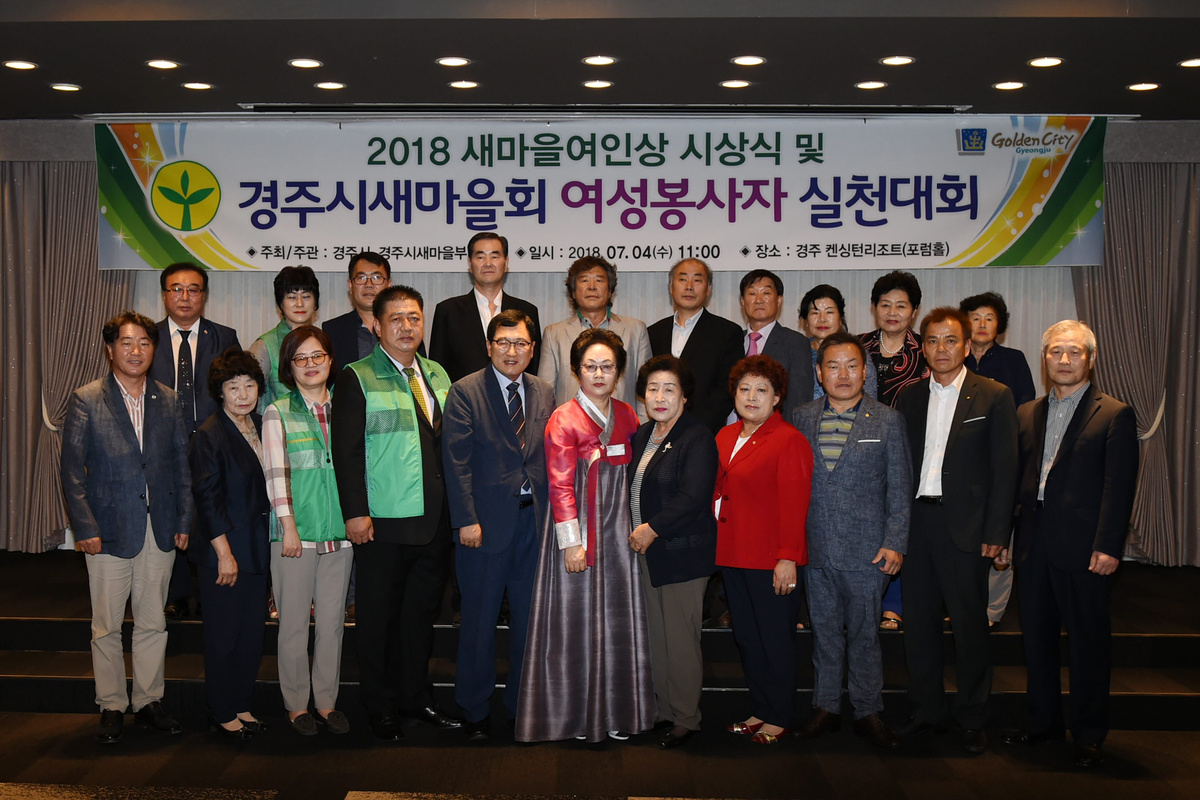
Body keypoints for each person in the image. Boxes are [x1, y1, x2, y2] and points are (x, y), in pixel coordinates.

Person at [1000, 320, 1138, 769]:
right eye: (1056, 351)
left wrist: (1109, 546)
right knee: (1037, 642)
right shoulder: (1026, 412)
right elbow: (1016, 483)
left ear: (1090, 360)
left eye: (1074, 352)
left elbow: (1119, 487)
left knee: (1087, 644)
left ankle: (1089, 734)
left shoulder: (1114, 413)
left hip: (1086, 550)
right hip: (1033, 544)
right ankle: (1042, 723)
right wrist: (1004, 536)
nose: (1064, 360)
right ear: (1044, 359)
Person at [330, 285, 463, 742]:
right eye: (396, 319)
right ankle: (381, 705)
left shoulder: (437, 373)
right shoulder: (357, 377)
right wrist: (355, 513)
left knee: (419, 619)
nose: (407, 327)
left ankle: (416, 698)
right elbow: (346, 452)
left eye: (414, 318)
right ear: (376, 326)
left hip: (434, 520)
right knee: (378, 620)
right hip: (383, 522)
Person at [516, 328, 655, 742]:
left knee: (617, 620)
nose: (598, 374)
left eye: (607, 367)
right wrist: (572, 542)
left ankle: (616, 710)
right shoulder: (564, 418)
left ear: (619, 372)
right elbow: (560, 486)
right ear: (576, 371)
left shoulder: (628, 415)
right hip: (580, 531)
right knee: (574, 619)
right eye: (590, 366)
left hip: (619, 534)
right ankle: (575, 714)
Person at [61, 311, 192, 744]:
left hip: (160, 528)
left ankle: (149, 700)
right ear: (110, 349)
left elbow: (181, 468)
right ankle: (112, 705)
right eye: (127, 343)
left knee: (154, 622)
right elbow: (71, 472)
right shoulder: (87, 399)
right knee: (107, 626)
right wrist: (84, 527)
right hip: (107, 530)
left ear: (153, 349)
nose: (136, 351)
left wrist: (183, 519)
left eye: (144, 343)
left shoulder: (168, 400)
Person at [893, 307, 1018, 755]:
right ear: (922, 348)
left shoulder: (994, 395)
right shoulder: (908, 397)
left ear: (966, 346)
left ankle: (972, 717)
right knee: (919, 627)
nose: (940, 349)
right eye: (931, 341)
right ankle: (927, 711)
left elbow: (1005, 468)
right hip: (916, 524)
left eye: (950, 340)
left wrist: (998, 532)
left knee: (969, 627)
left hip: (966, 528)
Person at [791, 331, 910, 750]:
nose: (842, 374)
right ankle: (825, 706)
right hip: (815, 548)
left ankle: (867, 710)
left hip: (868, 551)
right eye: (833, 366)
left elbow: (899, 488)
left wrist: (895, 542)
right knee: (824, 634)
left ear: (865, 372)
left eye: (852, 366)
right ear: (819, 373)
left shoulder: (888, 420)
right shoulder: (801, 417)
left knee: (864, 635)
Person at [442, 309, 553, 742]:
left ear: (532, 349)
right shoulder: (465, 391)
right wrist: (466, 520)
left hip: (533, 525)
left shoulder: (544, 391)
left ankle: (522, 706)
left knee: (529, 623)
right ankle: (474, 709)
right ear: (489, 347)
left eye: (521, 343)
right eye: (503, 342)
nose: (512, 351)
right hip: (483, 528)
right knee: (478, 623)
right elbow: (456, 462)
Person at [715, 354, 812, 745]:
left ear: (776, 398)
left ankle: (780, 715)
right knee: (748, 639)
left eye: (761, 390)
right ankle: (760, 709)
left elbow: (795, 504)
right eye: (744, 389)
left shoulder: (789, 440)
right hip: (732, 555)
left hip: (770, 560)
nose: (751, 397)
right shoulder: (724, 436)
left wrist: (787, 557)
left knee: (775, 641)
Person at [263, 326, 354, 737]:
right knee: (295, 625)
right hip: (295, 537)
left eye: (317, 356)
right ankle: (296, 705)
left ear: (330, 360)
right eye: (300, 358)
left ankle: (327, 702)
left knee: (332, 624)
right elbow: (276, 475)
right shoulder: (278, 411)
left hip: (340, 534)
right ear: (289, 367)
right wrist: (288, 528)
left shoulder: (347, 407)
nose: (310, 364)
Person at [628, 355, 718, 748]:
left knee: (680, 638)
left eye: (669, 389)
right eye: (653, 389)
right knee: (658, 636)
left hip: (682, 553)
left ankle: (686, 718)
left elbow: (693, 497)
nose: (660, 397)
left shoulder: (696, 436)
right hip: (648, 553)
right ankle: (664, 709)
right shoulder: (643, 434)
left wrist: (652, 529)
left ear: (684, 396)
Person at [148, 261, 241, 619]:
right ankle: (175, 593)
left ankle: (206, 591)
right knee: (170, 515)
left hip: (211, 442)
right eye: (177, 289)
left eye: (193, 289)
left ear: (204, 295)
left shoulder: (225, 337)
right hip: (162, 443)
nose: (185, 297)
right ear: (164, 295)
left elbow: (235, 388)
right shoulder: (148, 337)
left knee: (208, 515)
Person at [188, 348, 271, 740]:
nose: (242, 394)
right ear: (219, 391)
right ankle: (221, 711)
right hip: (224, 551)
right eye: (233, 387)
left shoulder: (260, 424)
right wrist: (224, 554)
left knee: (251, 635)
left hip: (255, 547)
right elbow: (207, 499)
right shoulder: (210, 433)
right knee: (223, 637)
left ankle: (242, 704)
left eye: (249, 385)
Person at [959, 291, 1036, 628]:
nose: (982, 324)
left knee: (1001, 535)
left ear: (999, 325)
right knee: (966, 538)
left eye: (989, 318)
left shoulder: (1013, 360)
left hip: (1002, 456)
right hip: (964, 461)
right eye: (975, 317)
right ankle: (963, 605)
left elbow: (1025, 407)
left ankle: (992, 610)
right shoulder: (955, 359)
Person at [859, 270, 927, 633]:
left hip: (909, 449)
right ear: (874, 308)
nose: (893, 312)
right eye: (885, 304)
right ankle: (863, 598)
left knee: (900, 524)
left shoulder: (927, 351)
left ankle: (894, 604)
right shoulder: (858, 347)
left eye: (901, 305)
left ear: (914, 310)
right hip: (861, 453)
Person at [538, 256, 652, 417]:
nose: (592, 287)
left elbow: (646, 389)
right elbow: (545, 394)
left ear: (610, 291)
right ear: (572, 292)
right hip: (571, 428)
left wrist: (641, 429)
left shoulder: (636, 330)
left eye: (599, 280)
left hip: (623, 427)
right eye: (584, 280)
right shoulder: (554, 334)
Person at [646, 258, 743, 433]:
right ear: (671, 287)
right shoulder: (653, 332)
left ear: (708, 289)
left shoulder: (727, 333)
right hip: (657, 431)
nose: (689, 286)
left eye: (697, 280)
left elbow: (726, 390)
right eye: (682, 279)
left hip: (703, 433)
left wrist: (690, 429)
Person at [430, 232, 542, 382]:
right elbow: (437, 371)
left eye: (494, 256)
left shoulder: (527, 311)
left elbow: (533, 368)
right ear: (470, 264)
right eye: (480, 257)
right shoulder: (448, 311)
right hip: (464, 395)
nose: (488, 263)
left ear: (506, 262)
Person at [730, 269, 813, 425]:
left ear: (779, 300)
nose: (759, 300)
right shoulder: (731, 340)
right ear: (742, 301)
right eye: (752, 293)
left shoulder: (795, 342)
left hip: (774, 431)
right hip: (731, 431)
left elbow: (799, 401)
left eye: (766, 293)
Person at [250, 265, 321, 410]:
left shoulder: (324, 341)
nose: (300, 304)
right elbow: (250, 396)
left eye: (306, 296)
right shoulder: (265, 345)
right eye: (292, 297)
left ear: (315, 302)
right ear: (280, 304)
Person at [799, 284, 878, 401]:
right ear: (806, 321)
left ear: (840, 318)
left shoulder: (857, 353)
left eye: (829, 312)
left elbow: (869, 401)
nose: (822, 319)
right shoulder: (797, 352)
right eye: (815, 313)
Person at [322, 251, 391, 375]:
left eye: (376, 278)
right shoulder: (332, 330)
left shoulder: (405, 327)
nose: (369, 285)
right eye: (361, 278)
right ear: (350, 285)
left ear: (389, 285)